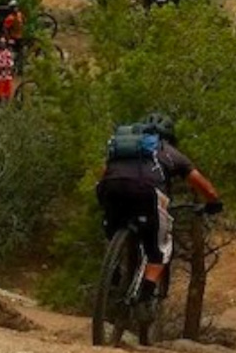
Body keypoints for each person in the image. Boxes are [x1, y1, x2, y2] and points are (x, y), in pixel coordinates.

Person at [96, 113, 223, 317]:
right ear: (169, 136)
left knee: (112, 226)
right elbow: (200, 183)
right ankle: (146, 295)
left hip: (110, 188)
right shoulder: (169, 152)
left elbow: (104, 172)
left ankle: (113, 271)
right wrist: (214, 201)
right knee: (162, 246)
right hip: (147, 193)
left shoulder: (122, 149)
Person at [2, 0, 25, 69]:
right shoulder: (9, 18)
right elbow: (5, 29)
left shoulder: (19, 14)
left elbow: (23, 22)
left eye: (16, 7)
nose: (16, 9)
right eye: (14, 7)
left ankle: (19, 67)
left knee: (21, 53)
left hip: (20, 36)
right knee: (16, 53)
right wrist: (8, 38)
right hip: (14, 37)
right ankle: (15, 68)